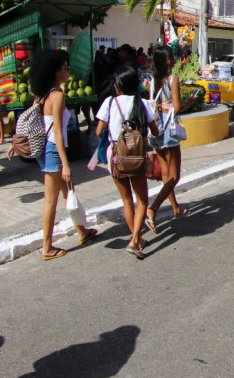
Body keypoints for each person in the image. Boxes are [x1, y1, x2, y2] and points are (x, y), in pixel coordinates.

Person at [25, 49, 99, 260]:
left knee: (69, 192)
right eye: (65, 68)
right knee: (51, 200)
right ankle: (47, 247)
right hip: (52, 151)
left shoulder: (43, 94)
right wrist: (65, 164)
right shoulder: (57, 95)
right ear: (55, 72)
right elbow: (57, 131)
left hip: (47, 150)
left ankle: (82, 231)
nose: (68, 71)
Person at [95, 64, 159, 259]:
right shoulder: (142, 103)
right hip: (137, 156)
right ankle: (134, 241)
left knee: (127, 201)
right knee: (142, 201)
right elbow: (155, 131)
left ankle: (137, 238)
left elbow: (99, 132)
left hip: (116, 157)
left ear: (118, 85)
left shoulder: (109, 103)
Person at [146, 47, 187, 230]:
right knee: (174, 176)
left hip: (156, 127)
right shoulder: (173, 79)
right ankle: (153, 208)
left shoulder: (152, 80)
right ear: (168, 60)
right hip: (170, 128)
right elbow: (177, 107)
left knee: (165, 174)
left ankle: (176, 208)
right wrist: (190, 102)